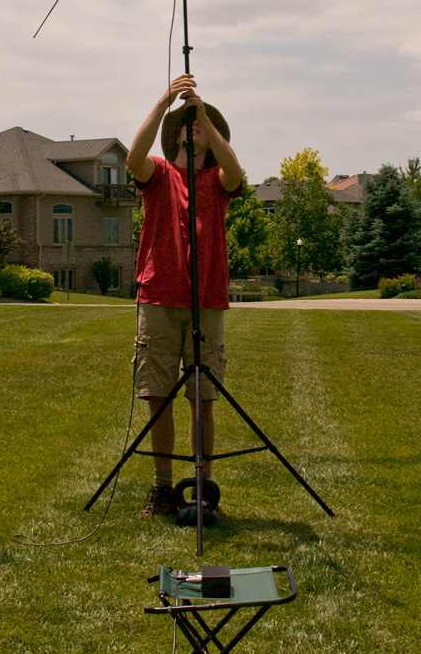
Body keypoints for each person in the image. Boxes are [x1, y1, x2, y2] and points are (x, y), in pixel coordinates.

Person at [127, 73, 243, 517]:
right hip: (158, 296)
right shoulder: (158, 174)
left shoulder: (216, 180)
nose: (194, 128)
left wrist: (205, 119)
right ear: (174, 134)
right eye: (188, 124)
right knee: (158, 397)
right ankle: (161, 488)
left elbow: (236, 173)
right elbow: (134, 158)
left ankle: (202, 488)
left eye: (202, 126)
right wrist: (165, 102)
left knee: (203, 398)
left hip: (206, 301)